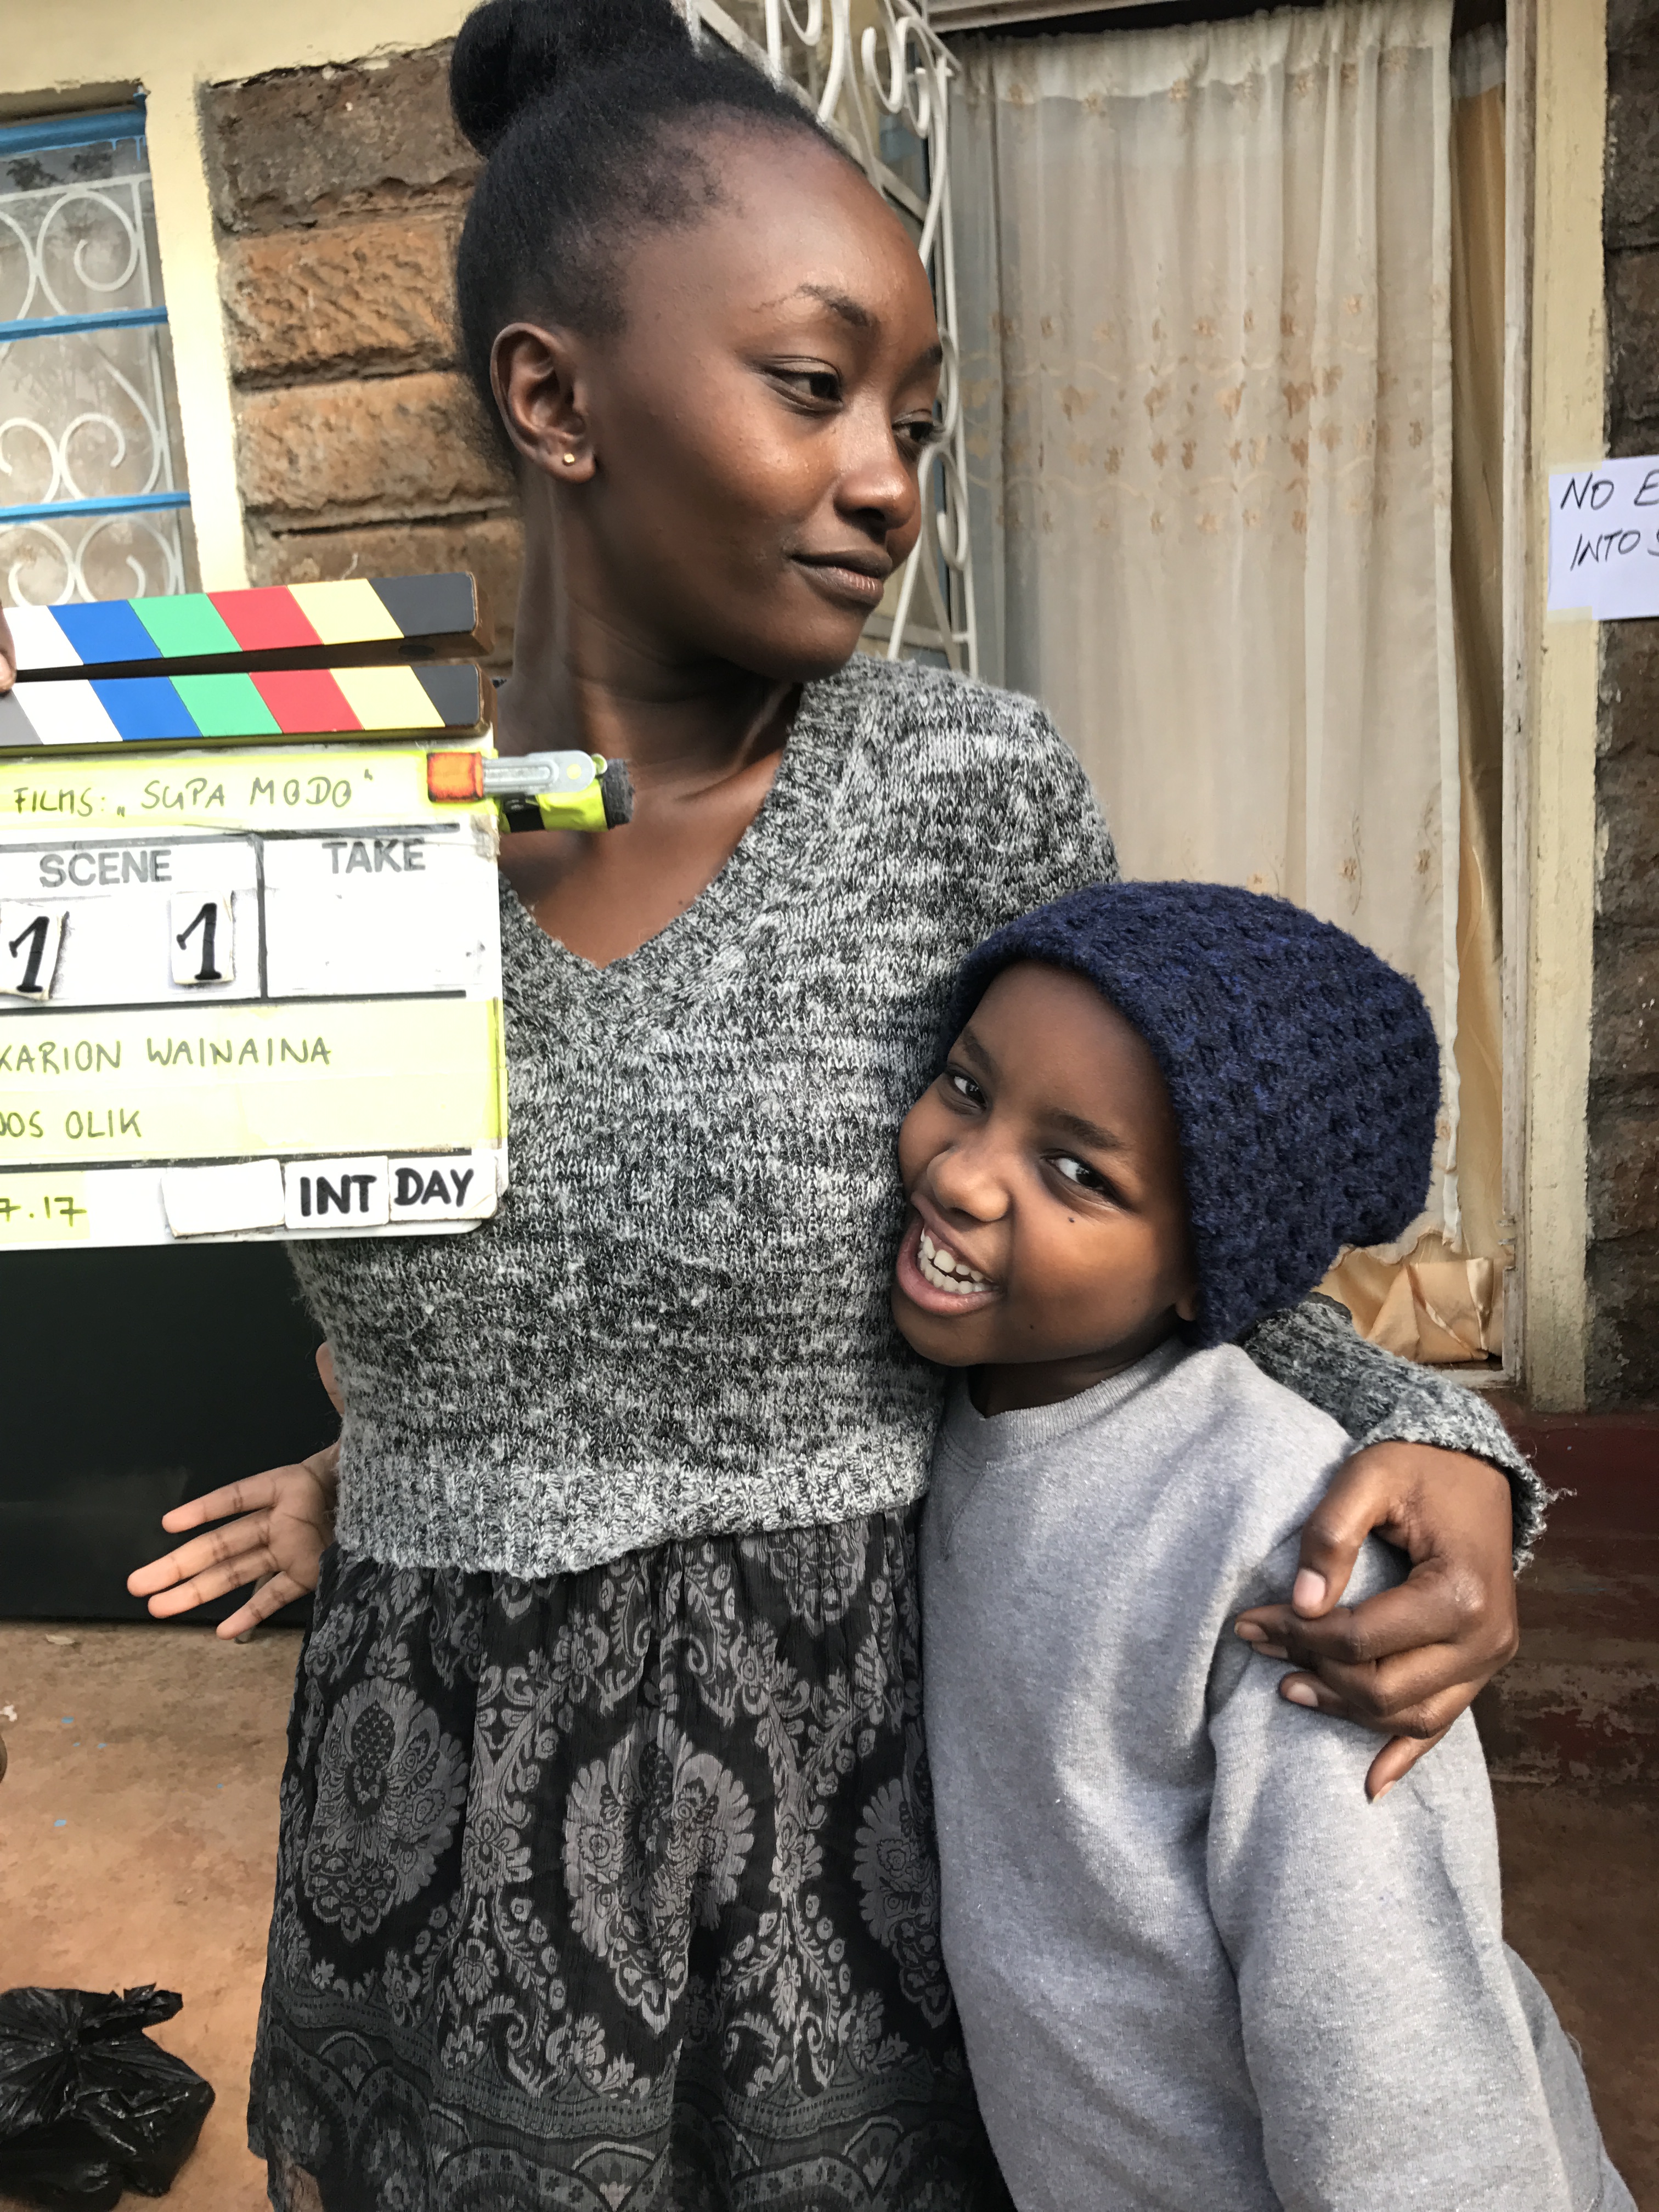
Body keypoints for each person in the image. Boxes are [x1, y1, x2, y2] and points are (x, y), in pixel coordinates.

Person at [0, 1, 1537, 2203]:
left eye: (908, 415)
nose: (891, 480)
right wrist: (393, 1456)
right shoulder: (296, 808)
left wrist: (1437, 1435)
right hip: (440, 1819)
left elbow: (1144, 1225)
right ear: (555, 399)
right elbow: (403, 1275)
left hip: (867, 1816)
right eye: (814, 387)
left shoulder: (964, 792)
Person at [902, 883, 1630, 2212]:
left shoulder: (1292, 1543)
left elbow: (1399, 2064)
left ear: (1215, 1270)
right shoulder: (968, 1408)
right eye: (965, 1087)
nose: (961, 1173)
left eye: (1080, 1173)